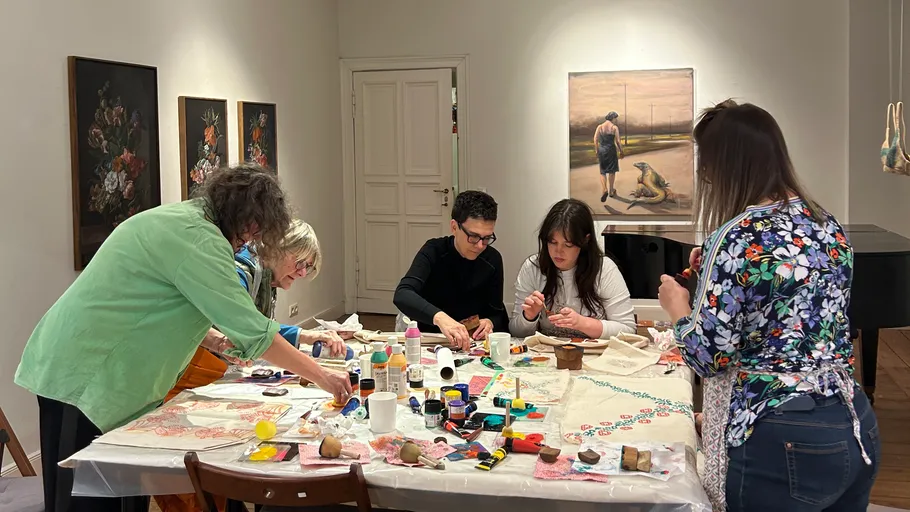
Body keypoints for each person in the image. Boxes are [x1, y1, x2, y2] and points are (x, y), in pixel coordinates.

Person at [14, 164, 352, 512]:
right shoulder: (200, 239)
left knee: (124, 488)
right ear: (250, 222)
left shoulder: (185, 219)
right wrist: (324, 376)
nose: (251, 242)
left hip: (100, 371)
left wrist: (213, 340)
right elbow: (255, 332)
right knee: (85, 497)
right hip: (82, 374)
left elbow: (158, 303)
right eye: (256, 233)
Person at [657, 100, 879, 511]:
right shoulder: (827, 225)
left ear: (723, 168)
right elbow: (792, 310)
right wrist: (714, 276)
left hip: (781, 436)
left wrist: (679, 306)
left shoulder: (737, 236)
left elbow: (708, 356)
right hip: (852, 420)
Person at [154, 218, 347, 512]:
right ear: (282, 248)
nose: (302, 273)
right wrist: (319, 374)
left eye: (307, 267)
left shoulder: (263, 276)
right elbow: (247, 330)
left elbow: (260, 327)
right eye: (301, 263)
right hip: (188, 371)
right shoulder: (242, 271)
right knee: (206, 460)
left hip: (210, 368)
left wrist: (303, 335)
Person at [393, 190, 509, 350]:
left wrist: (489, 322)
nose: (480, 245)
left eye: (487, 238)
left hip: (470, 345)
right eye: (473, 236)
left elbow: (498, 313)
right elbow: (403, 294)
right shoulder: (434, 251)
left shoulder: (492, 259)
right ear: (454, 227)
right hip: (430, 340)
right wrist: (440, 318)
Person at [511, 198, 636, 339]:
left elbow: (628, 330)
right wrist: (528, 317)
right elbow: (515, 333)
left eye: (568, 244)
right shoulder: (533, 267)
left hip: (595, 357)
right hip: (547, 355)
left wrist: (582, 323)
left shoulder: (604, 269)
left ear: (585, 240)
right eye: (552, 242)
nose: (558, 251)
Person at [594, 111, 624, 202]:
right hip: (611, 150)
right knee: (612, 171)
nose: (616, 120)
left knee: (603, 171)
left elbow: (595, 139)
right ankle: (611, 190)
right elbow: (618, 141)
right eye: (615, 118)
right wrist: (621, 151)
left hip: (602, 150)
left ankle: (604, 189)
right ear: (613, 118)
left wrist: (596, 150)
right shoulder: (614, 127)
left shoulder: (600, 127)